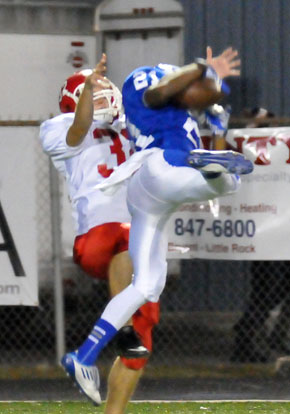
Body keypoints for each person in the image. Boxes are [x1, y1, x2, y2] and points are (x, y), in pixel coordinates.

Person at [61, 46, 254, 402]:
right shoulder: (148, 84)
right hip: (161, 167)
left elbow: (194, 96)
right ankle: (206, 162)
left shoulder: (178, 114)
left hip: (148, 195)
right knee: (231, 179)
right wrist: (200, 67)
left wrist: (217, 123)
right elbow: (160, 90)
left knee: (147, 285)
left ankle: (83, 355)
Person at [39, 53, 159, 413]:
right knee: (127, 235)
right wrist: (88, 94)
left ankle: (113, 408)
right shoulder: (58, 126)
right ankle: (117, 330)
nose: (103, 94)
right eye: (92, 91)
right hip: (97, 233)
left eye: (105, 88)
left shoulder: (129, 125)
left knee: (145, 330)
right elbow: (78, 131)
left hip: (135, 230)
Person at [230, 108, 290, 363]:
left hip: (281, 230)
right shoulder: (245, 152)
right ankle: (245, 337)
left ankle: (277, 334)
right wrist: (253, 125)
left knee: (280, 287)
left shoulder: (279, 152)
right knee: (267, 289)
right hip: (263, 231)